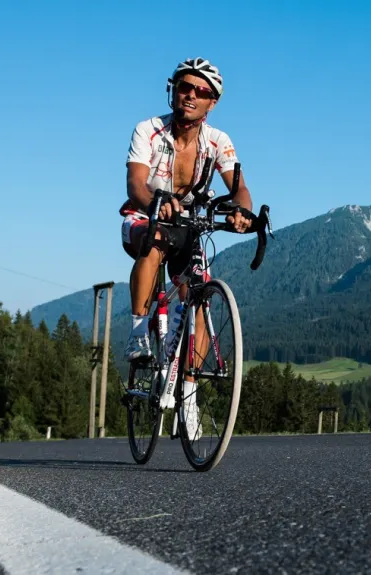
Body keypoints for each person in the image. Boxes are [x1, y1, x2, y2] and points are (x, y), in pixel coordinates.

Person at [119, 57, 253, 364]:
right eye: (185, 86)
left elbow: (240, 189)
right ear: (174, 90)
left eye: (202, 91)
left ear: (212, 103)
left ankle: (188, 399)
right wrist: (156, 202)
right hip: (143, 218)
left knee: (200, 299)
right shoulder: (148, 130)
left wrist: (241, 212)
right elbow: (136, 184)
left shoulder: (218, 141)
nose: (191, 95)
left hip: (188, 226)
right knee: (155, 240)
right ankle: (138, 333)